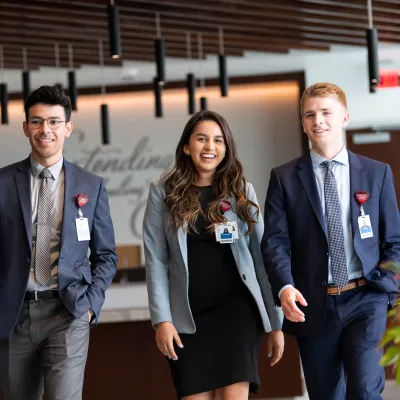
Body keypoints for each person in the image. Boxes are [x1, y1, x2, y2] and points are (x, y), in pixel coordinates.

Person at [261, 82, 400, 399]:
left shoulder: (376, 173)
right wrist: (284, 287)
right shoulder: (284, 178)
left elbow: (394, 239)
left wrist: (388, 285)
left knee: (365, 389)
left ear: (345, 118)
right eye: (309, 114)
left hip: (366, 297)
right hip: (314, 304)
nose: (318, 120)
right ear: (303, 123)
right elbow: (275, 243)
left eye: (326, 112)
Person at [143, 110, 284, 400]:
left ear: (226, 148)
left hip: (237, 313)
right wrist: (162, 320)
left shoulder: (241, 192)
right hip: (188, 318)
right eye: (202, 139)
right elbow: (156, 260)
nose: (210, 147)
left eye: (218, 140)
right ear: (186, 146)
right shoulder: (163, 193)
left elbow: (260, 258)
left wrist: (275, 323)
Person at [0, 85, 118, 400]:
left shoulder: (91, 186)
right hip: (14, 315)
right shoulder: (2, 183)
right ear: (25, 127)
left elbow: (106, 255)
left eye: (53, 121)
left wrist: (90, 307)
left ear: (68, 127)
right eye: (37, 121)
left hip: (68, 311)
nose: (45, 130)